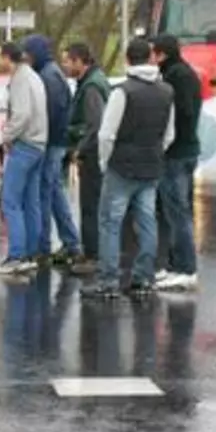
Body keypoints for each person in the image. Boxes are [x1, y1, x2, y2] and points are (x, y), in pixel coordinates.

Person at [91, 38, 175, 297]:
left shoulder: (122, 92)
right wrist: (155, 153)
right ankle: (143, 278)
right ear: (151, 58)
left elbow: (107, 134)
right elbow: (169, 134)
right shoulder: (166, 91)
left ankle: (108, 281)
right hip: (151, 167)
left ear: (127, 59)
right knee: (147, 222)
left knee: (110, 223)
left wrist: (105, 162)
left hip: (122, 168)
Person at [22, 34, 81, 265]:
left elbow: (53, 113)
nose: (25, 59)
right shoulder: (51, 73)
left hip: (51, 143)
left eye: (28, 54)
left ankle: (43, 246)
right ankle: (70, 242)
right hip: (55, 142)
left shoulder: (48, 77)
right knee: (55, 193)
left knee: (44, 194)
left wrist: (40, 139)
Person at [151, 34, 202, 289]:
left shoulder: (175, 77)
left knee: (177, 212)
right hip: (187, 150)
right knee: (178, 211)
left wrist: (163, 144)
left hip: (176, 154)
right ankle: (174, 264)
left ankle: (185, 268)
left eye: (153, 53)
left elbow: (179, 115)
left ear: (160, 54)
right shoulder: (185, 73)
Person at [0, 42, 48, 275]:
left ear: (7, 58)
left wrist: (6, 137)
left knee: (10, 201)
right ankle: (32, 252)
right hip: (39, 145)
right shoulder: (34, 76)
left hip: (24, 145)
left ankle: (16, 256)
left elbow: (22, 114)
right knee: (31, 201)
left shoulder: (19, 80)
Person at [63, 42, 111, 275]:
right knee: (92, 205)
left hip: (92, 156)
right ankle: (92, 251)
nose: (65, 66)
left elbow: (95, 126)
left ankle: (93, 256)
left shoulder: (91, 87)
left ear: (80, 61)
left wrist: (79, 149)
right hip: (94, 153)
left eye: (67, 61)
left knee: (90, 206)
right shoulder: (93, 81)